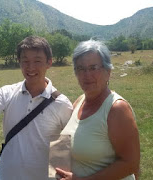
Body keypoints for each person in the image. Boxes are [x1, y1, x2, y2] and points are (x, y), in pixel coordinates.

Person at [0, 36, 73, 180]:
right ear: (19, 62)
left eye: (37, 61)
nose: (30, 67)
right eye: (25, 61)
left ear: (49, 62)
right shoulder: (7, 93)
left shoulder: (62, 104)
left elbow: (64, 151)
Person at [56, 40, 140, 180]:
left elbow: (131, 163)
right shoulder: (79, 101)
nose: (87, 75)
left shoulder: (116, 109)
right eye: (80, 68)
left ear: (108, 72)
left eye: (93, 68)